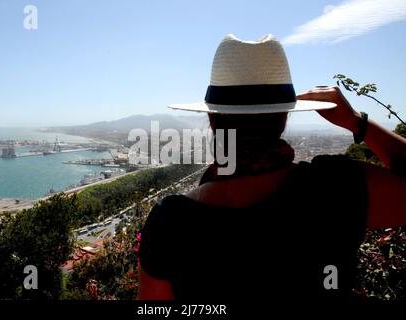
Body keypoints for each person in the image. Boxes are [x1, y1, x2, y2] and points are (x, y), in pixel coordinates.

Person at [137, 34, 406, 302]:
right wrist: (358, 123)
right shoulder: (335, 186)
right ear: (285, 116)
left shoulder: (171, 222)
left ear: (211, 120)